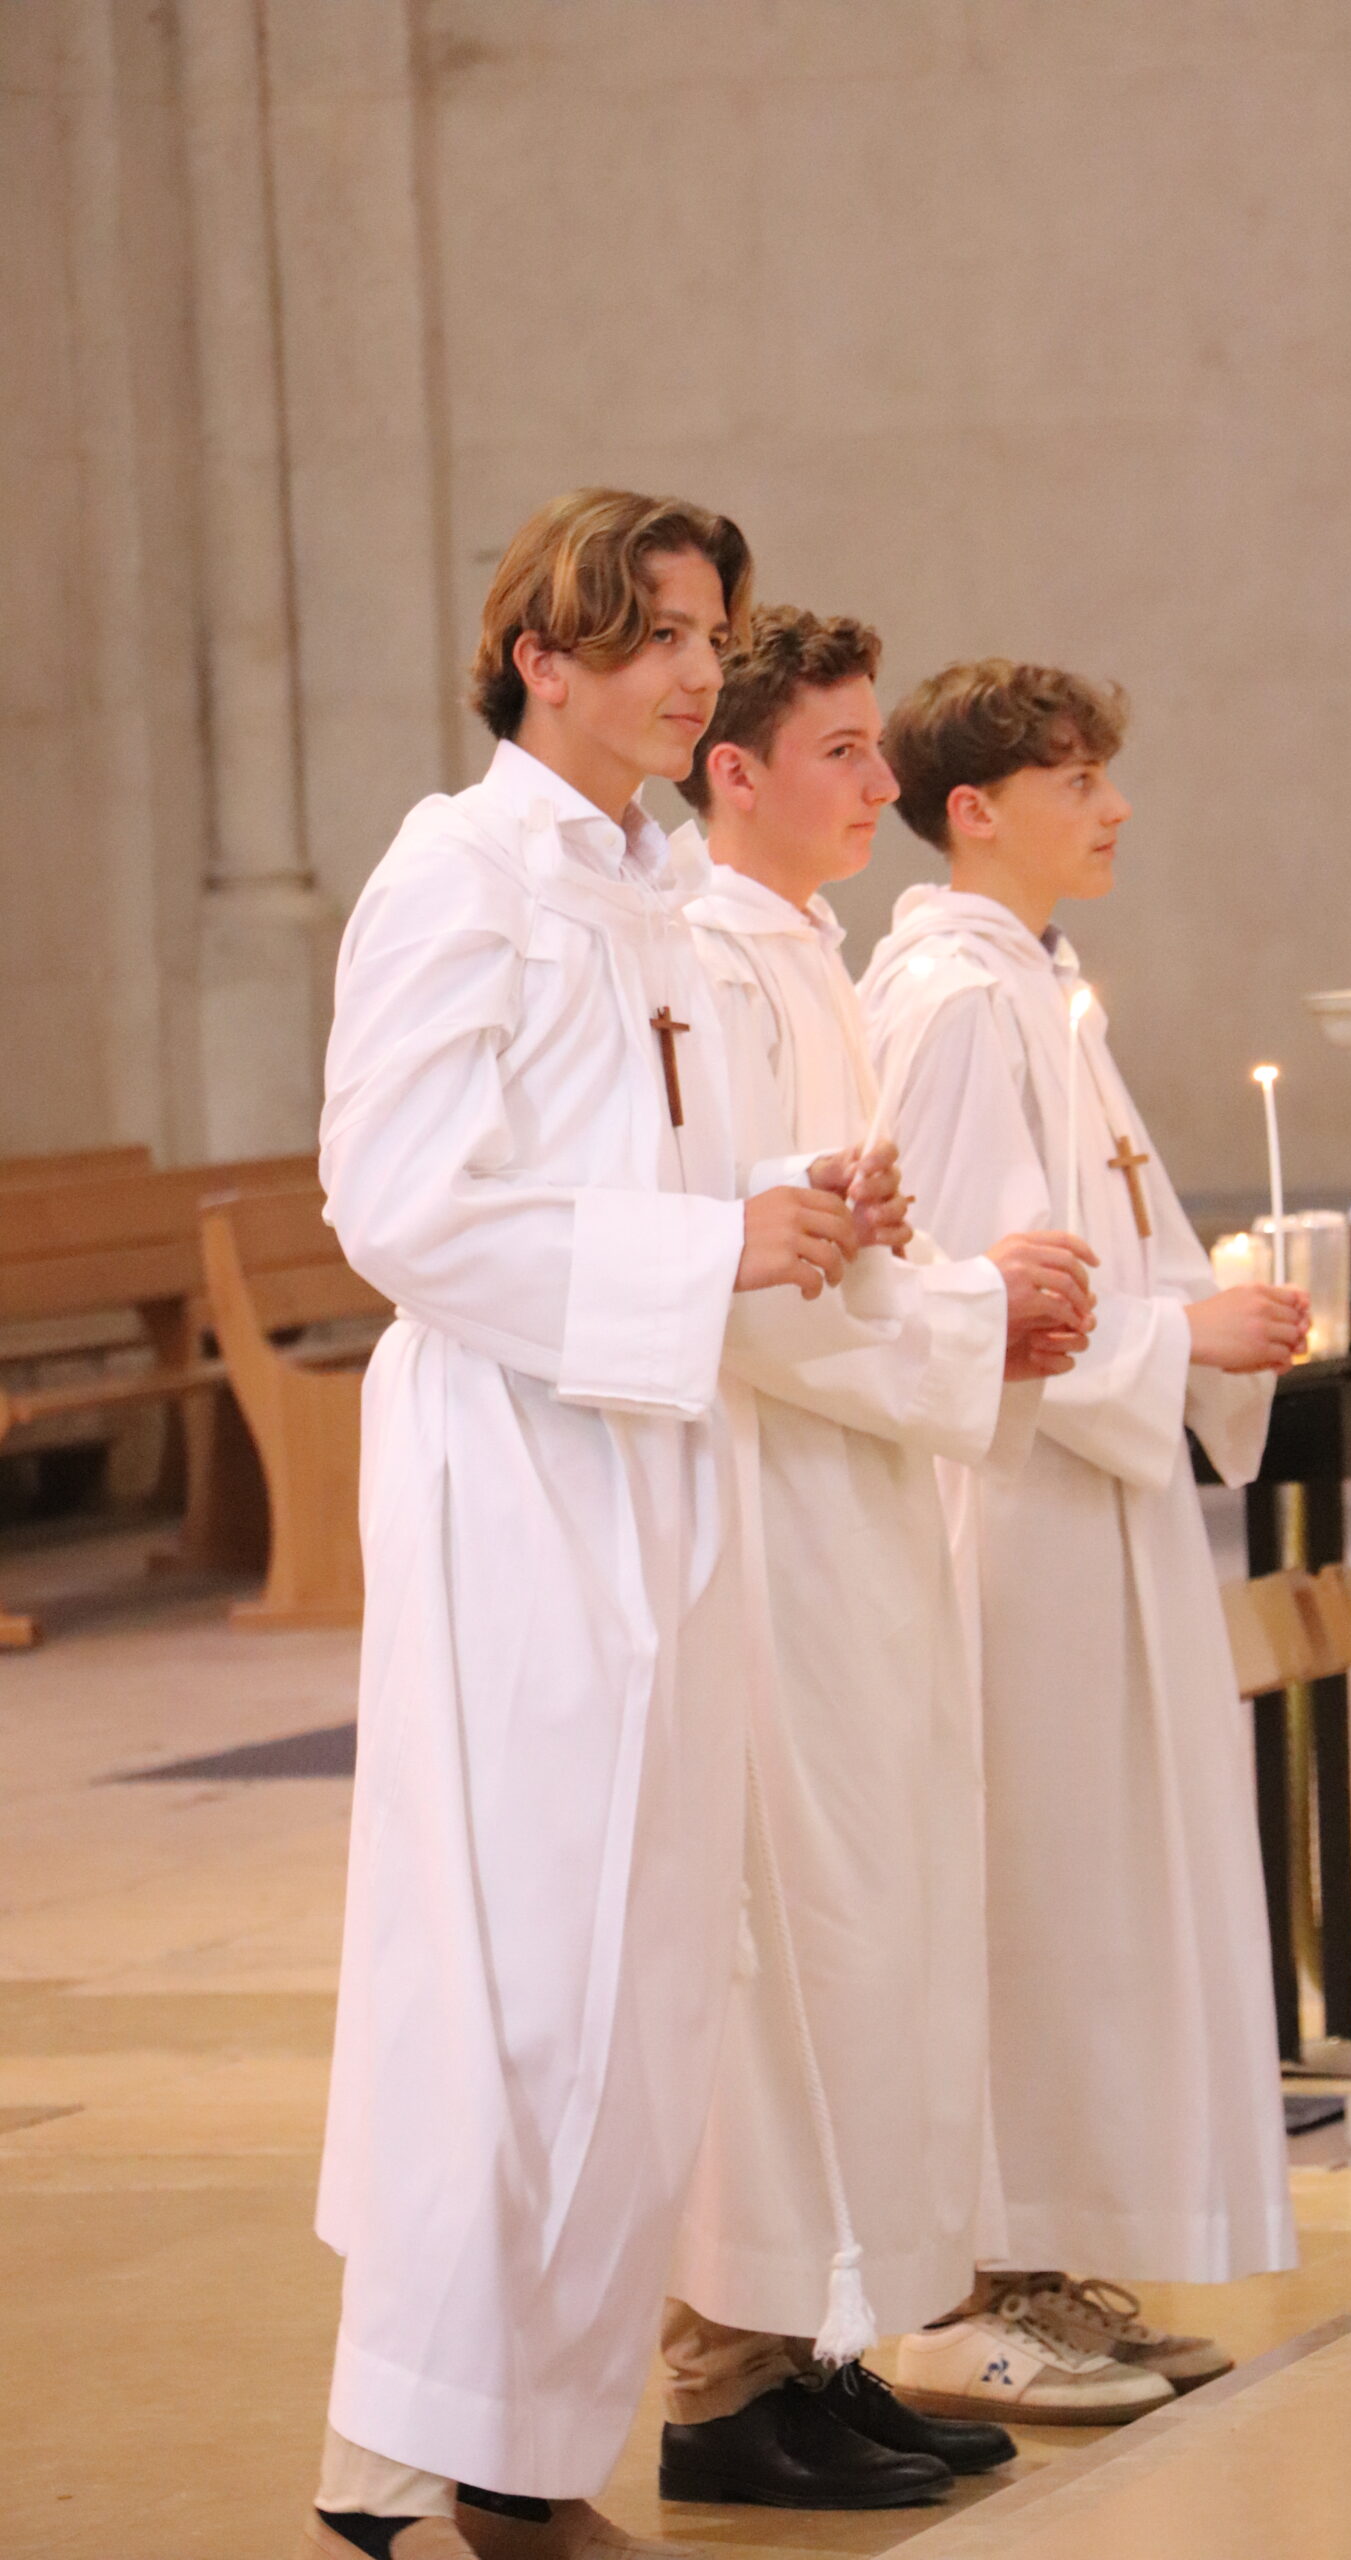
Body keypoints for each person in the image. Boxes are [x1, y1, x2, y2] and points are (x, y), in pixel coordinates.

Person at [303, 491, 890, 2560]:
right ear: (537, 657)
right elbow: (395, 1203)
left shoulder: (647, 889)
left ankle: (514, 2448)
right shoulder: (458, 874)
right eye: (649, 634)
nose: (690, 671)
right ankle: (440, 2461)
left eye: (707, 633)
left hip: (654, 1457)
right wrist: (704, 1248)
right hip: (521, 1466)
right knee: (517, 1970)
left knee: (636, 1979)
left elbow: (653, 1178)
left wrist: (794, 1207)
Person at [654, 606, 1132, 2509]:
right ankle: (721, 2385)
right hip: (772, 1504)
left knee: (872, 1934)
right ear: (736, 772)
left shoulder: (810, 954)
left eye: (876, 746)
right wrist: (968, 1312)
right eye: (842, 752)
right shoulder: (705, 963)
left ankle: (821, 2343)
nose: (881, 783)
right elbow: (745, 1281)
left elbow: (848, 1244)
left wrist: (958, 1288)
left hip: (856, 1491)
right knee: (790, 1940)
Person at [861, 658, 1308, 2425]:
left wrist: (1213, 1321)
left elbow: (1101, 1260)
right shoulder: (957, 1005)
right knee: (1017, 1882)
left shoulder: (1043, 991)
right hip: (1010, 1520)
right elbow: (967, 1298)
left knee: (1084, 1893)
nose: (1114, 806)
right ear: (975, 812)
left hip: (1087, 1511)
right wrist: (1176, 1341)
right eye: (1075, 779)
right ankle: (959, 2287)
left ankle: (1038, 2260)